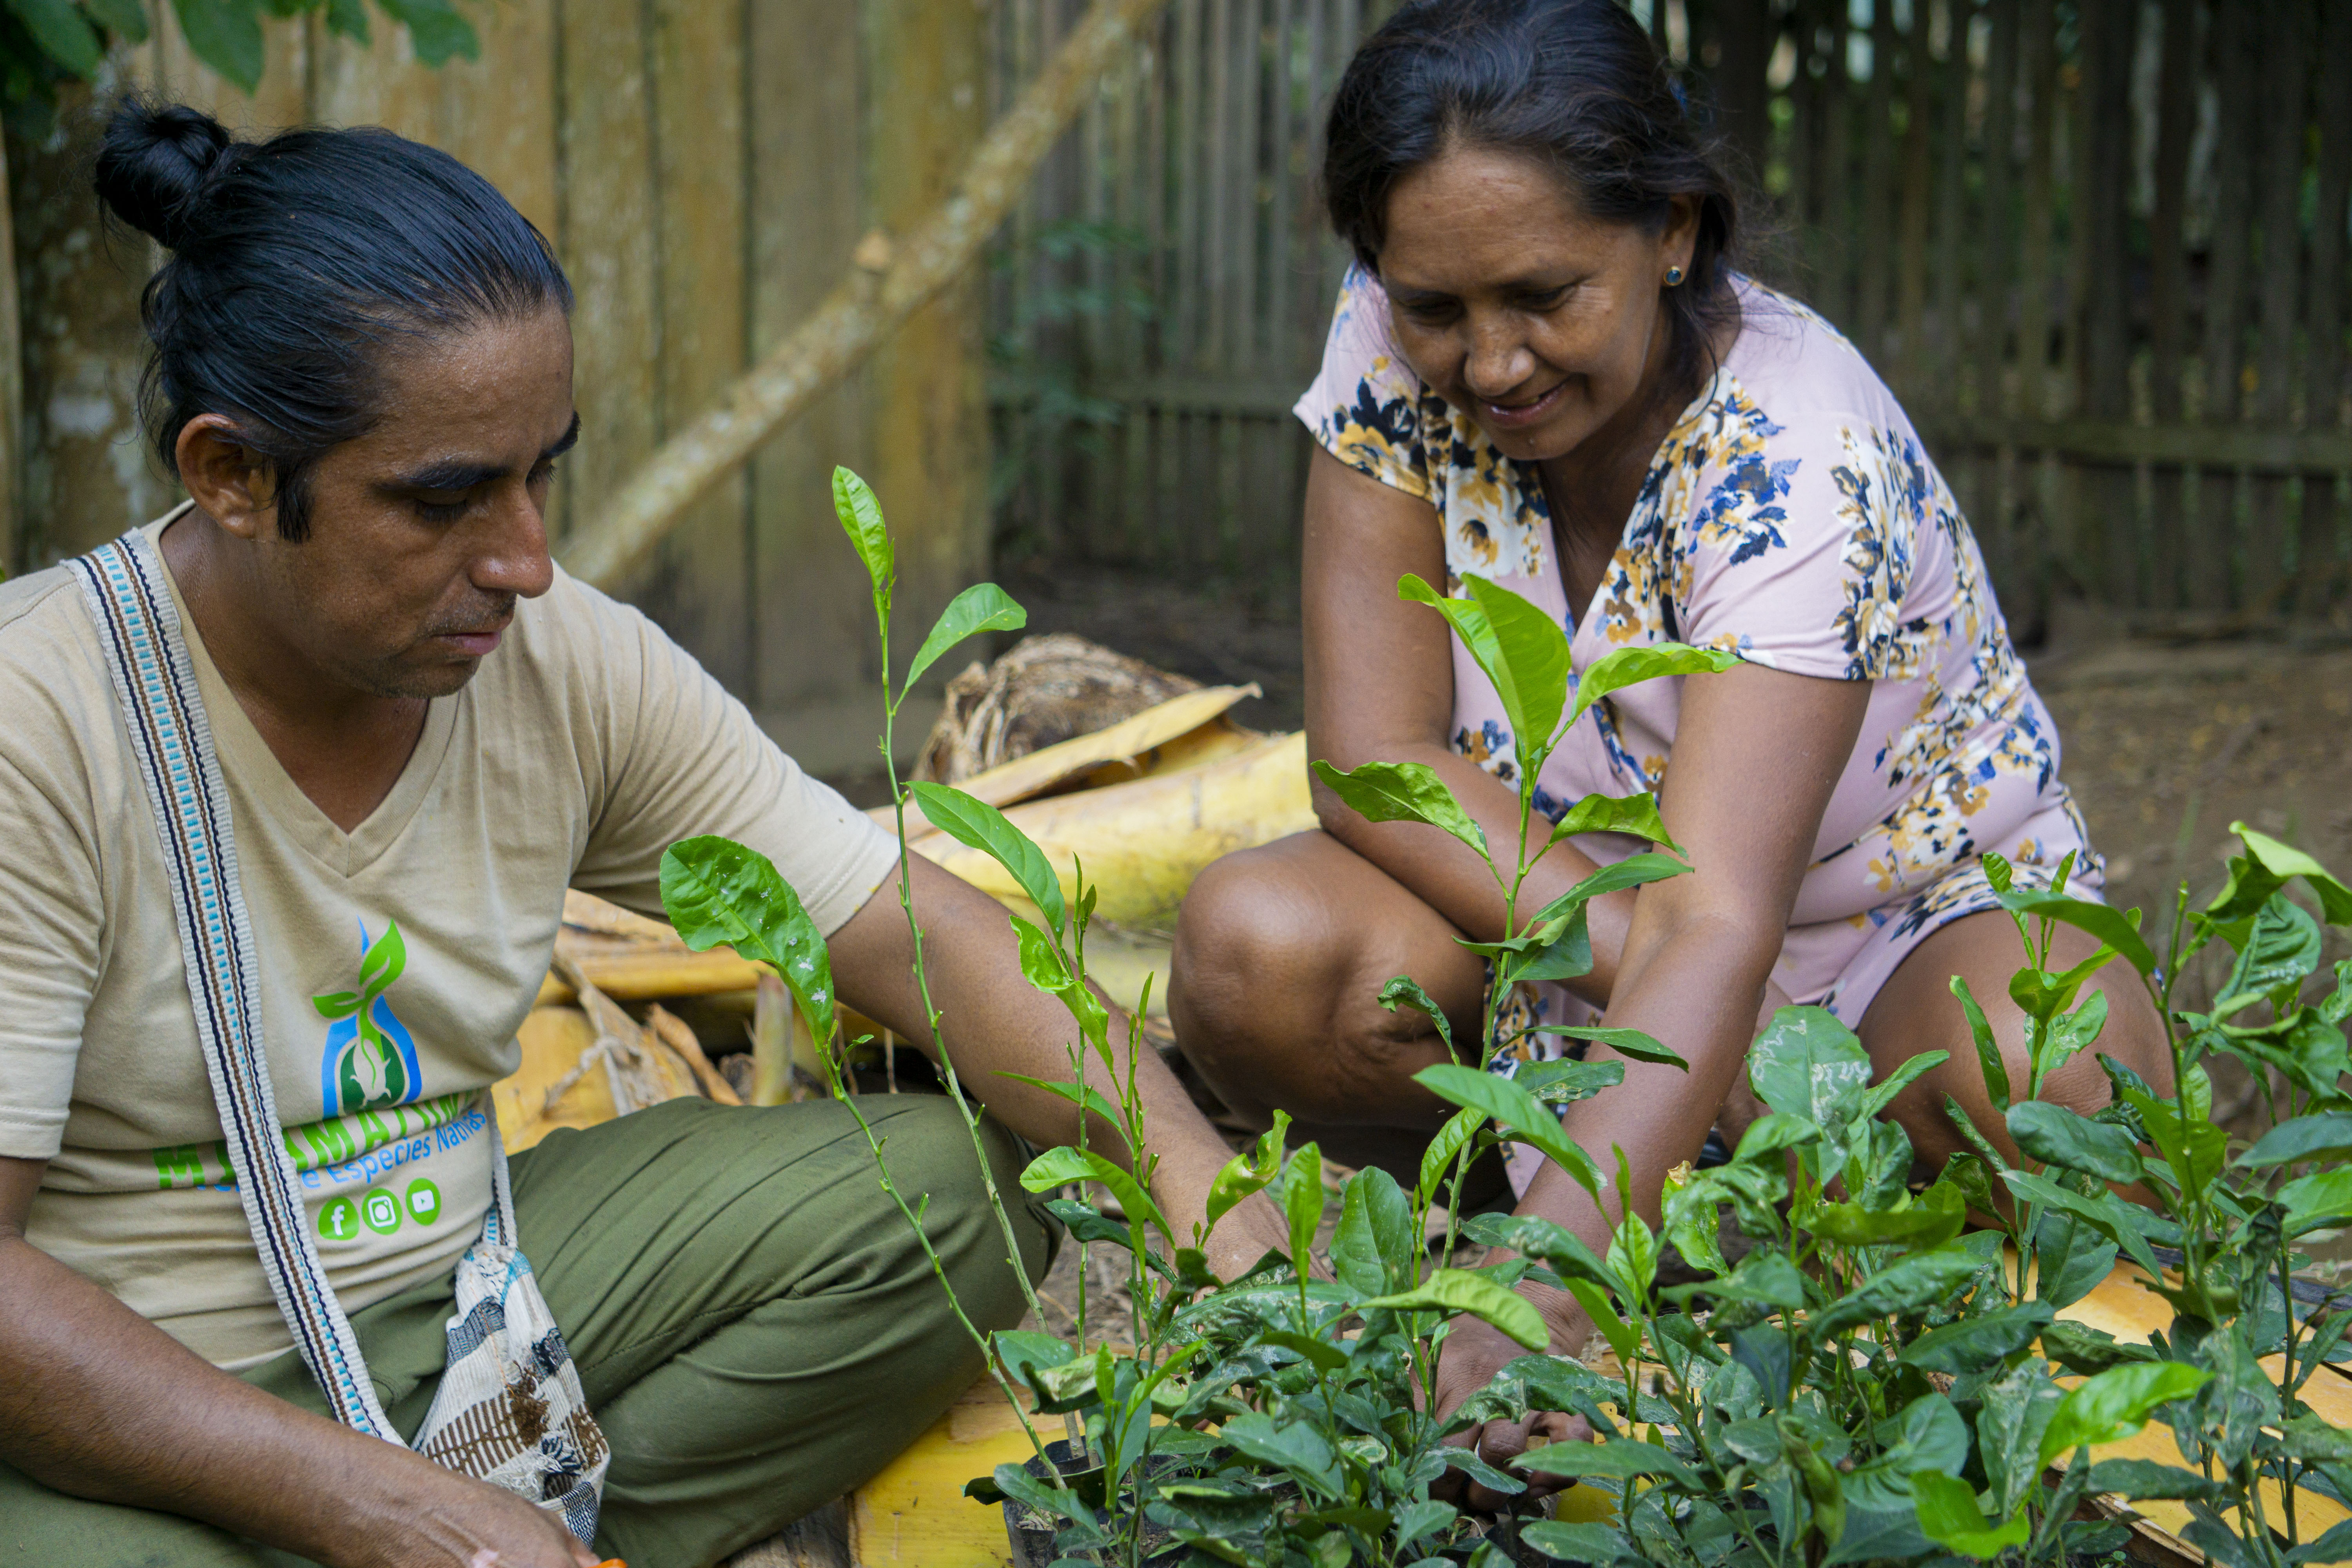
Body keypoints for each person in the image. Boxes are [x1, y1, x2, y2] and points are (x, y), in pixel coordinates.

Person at [0, 103, 1285, 1568]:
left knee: (952, 1199)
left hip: (479, 1302)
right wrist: (377, 1508)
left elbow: (907, 927)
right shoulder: (40, 716)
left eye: (541, 471)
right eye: (446, 498)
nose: (527, 560)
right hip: (151, 1385)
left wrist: (1211, 1204)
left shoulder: (559, 664)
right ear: (230, 476)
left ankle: (514, 1531)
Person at [1167, 0, 2174, 1503]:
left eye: (1544, 296)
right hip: (1573, 925)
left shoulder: (1795, 453)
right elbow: (1375, 756)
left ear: (1675, 233)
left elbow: (1726, 916)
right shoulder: (1388, 342)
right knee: (1260, 950)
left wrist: (1533, 1302)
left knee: (2051, 1071)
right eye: (1436, 306)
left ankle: (1696, 1241)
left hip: (1892, 939)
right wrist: (1645, 981)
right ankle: (1607, 1208)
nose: (1489, 361)